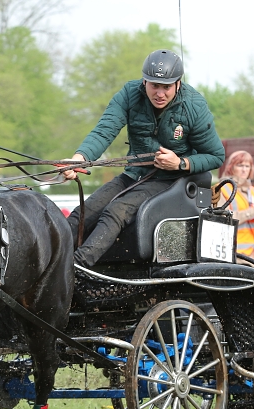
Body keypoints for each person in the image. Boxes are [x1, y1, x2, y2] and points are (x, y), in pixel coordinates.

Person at [62, 49, 225, 267]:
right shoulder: (129, 94)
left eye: (166, 87)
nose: (160, 93)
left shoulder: (194, 106)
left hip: (171, 182)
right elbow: (103, 132)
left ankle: (76, 269)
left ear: (178, 84)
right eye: (154, 86)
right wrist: (78, 159)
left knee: (115, 211)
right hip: (134, 174)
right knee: (82, 214)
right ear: (144, 81)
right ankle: (52, 263)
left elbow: (216, 155)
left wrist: (180, 163)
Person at [218, 150, 254, 267]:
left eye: (247, 166)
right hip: (235, 256)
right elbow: (221, 220)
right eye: (240, 165)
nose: (244, 169)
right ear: (231, 167)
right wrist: (251, 212)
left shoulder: (253, 191)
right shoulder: (222, 189)